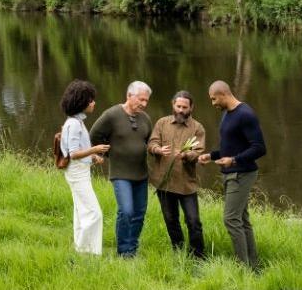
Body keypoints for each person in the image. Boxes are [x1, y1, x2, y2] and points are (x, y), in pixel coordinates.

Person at [198, 80, 267, 270]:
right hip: (232, 173)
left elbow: (260, 148)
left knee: (230, 219)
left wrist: (234, 160)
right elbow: (230, 146)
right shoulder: (228, 114)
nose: (213, 104)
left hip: (242, 174)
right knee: (242, 219)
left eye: (213, 99)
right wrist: (211, 156)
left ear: (223, 94)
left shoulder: (245, 115)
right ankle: (253, 266)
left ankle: (243, 267)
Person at [89, 80, 152, 258]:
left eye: (147, 101)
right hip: (120, 173)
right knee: (126, 211)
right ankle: (123, 250)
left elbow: (149, 140)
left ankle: (132, 248)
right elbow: (94, 135)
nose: (144, 104)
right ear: (129, 96)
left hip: (141, 173)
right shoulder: (112, 115)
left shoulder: (145, 118)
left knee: (139, 213)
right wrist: (109, 153)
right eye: (141, 99)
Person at [148, 90, 206, 258]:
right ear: (173, 105)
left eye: (184, 107)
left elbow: (199, 151)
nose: (181, 110)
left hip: (187, 184)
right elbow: (152, 143)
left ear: (191, 108)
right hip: (164, 183)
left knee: (193, 222)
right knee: (171, 220)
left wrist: (188, 155)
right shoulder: (162, 123)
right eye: (178, 106)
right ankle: (179, 253)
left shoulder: (197, 128)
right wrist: (157, 149)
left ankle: (198, 256)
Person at [58, 79, 110, 255]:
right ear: (82, 102)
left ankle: (81, 250)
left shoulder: (77, 122)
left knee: (81, 212)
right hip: (77, 173)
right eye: (91, 99)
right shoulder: (73, 124)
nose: (94, 102)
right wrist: (95, 149)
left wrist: (93, 155)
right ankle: (89, 253)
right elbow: (73, 154)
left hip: (80, 171)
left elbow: (78, 149)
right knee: (94, 213)